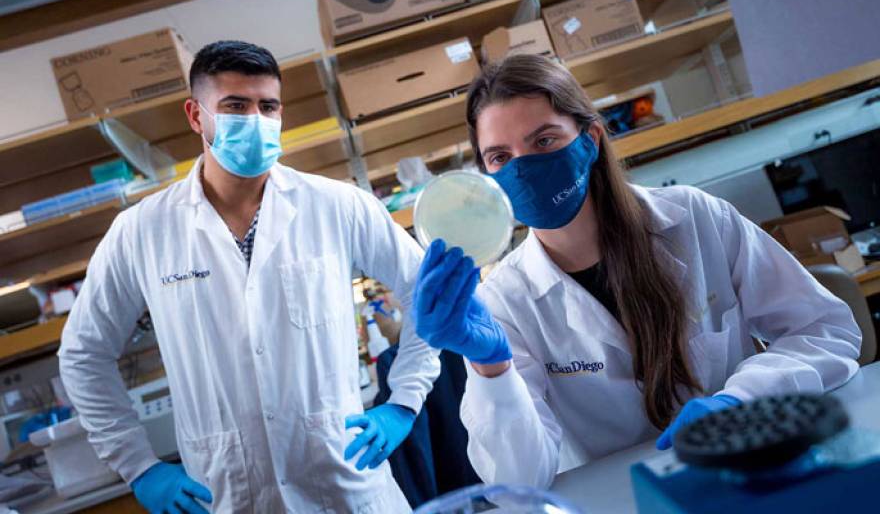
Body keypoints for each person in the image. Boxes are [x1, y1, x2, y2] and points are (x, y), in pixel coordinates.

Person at [412, 54, 862, 489]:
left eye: (544, 141)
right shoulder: (506, 299)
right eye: (500, 158)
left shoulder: (695, 217)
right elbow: (518, 478)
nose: (523, 169)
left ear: (590, 139)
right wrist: (492, 368)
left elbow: (826, 329)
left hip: (751, 466)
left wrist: (738, 401)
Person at [58, 41, 439, 513]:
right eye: (235, 106)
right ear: (197, 116)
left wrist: (404, 400)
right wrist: (140, 465)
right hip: (228, 494)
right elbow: (83, 354)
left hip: (347, 487)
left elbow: (430, 293)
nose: (255, 120)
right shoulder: (142, 231)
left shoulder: (338, 205)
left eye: (268, 106)